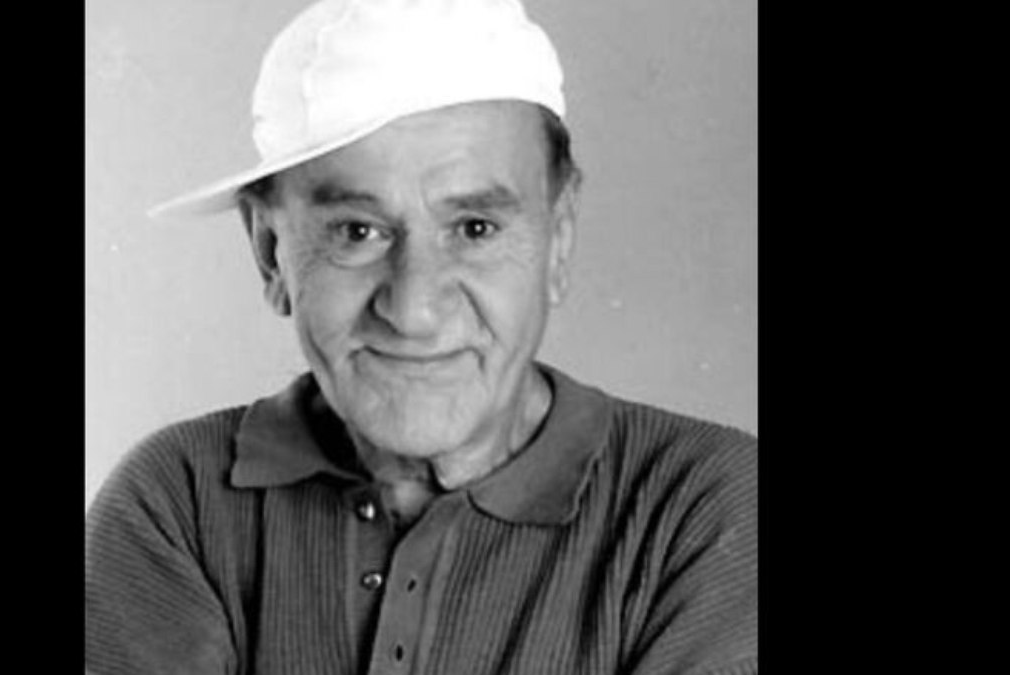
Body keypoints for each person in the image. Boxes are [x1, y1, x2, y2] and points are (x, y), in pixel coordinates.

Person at [85, 1, 757, 673]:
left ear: (558, 240)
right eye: (357, 231)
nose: (414, 311)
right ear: (270, 252)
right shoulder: (176, 504)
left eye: (475, 229)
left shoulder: (711, 509)